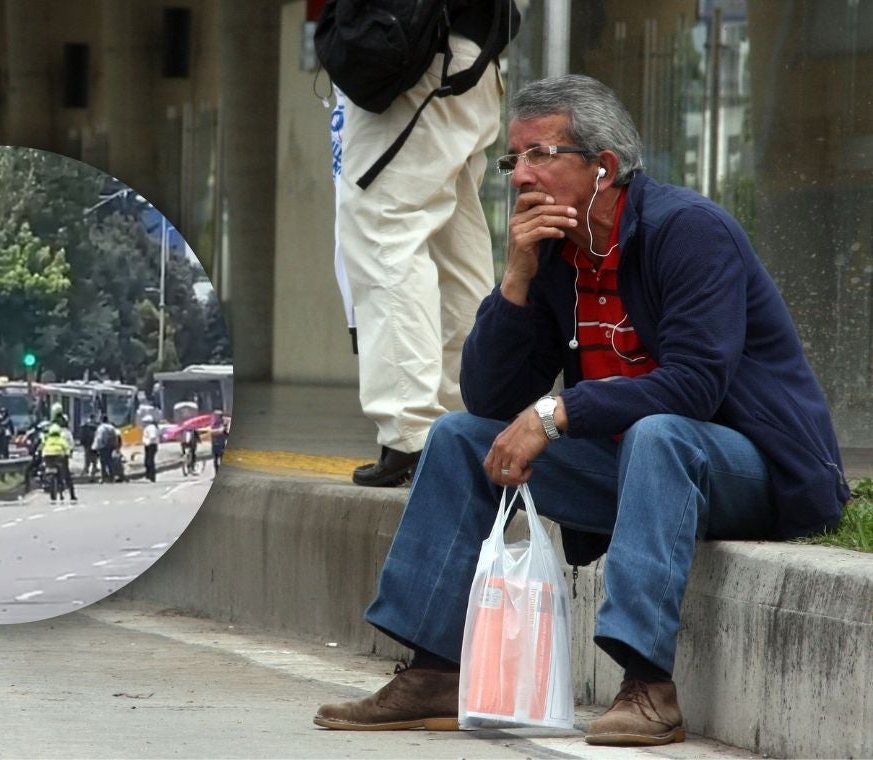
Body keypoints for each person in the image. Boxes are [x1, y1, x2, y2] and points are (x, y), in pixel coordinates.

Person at [313, 75, 848, 746]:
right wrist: (514, 280)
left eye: (541, 154)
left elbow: (694, 388)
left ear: (604, 168)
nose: (520, 176)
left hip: (751, 467)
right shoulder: (554, 256)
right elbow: (489, 398)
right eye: (514, 160)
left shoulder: (689, 233)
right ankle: (434, 671)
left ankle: (648, 684)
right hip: (634, 465)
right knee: (455, 437)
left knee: (660, 434)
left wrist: (556, 412)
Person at [342, 1, 520, 488]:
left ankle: (411, 431)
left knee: (385, 231)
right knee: (453, 246)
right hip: (467, 58)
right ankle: (467, 419)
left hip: (416, 56)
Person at [39, 422, 78, 503]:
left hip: (47, 457)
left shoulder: (48, 439)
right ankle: (72, 495)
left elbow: (43, 448)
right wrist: (68, 454)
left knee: (47, 471)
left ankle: (47, 481)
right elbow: (67, 448)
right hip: (58, 457)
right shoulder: (61, 439)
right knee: (66, 475)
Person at [95, 415, 119, 483]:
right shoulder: (111, 427)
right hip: (110, 446)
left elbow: (99, 438)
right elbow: (115, 437)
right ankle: (112, 477)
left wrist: (96, 447)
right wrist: (116, 447)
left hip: (103, 447)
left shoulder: (101, 428)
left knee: (103, 463)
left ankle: (103, 478)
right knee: (110, 462)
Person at [141, 415, 160, 483]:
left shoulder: (151, 428)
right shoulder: (147, 428)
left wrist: (148, 442)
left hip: (151, 445)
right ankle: (148, 475)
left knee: (150, 461)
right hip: (148, 445)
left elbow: (152, 436)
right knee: (147, 461)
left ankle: (151, 476)